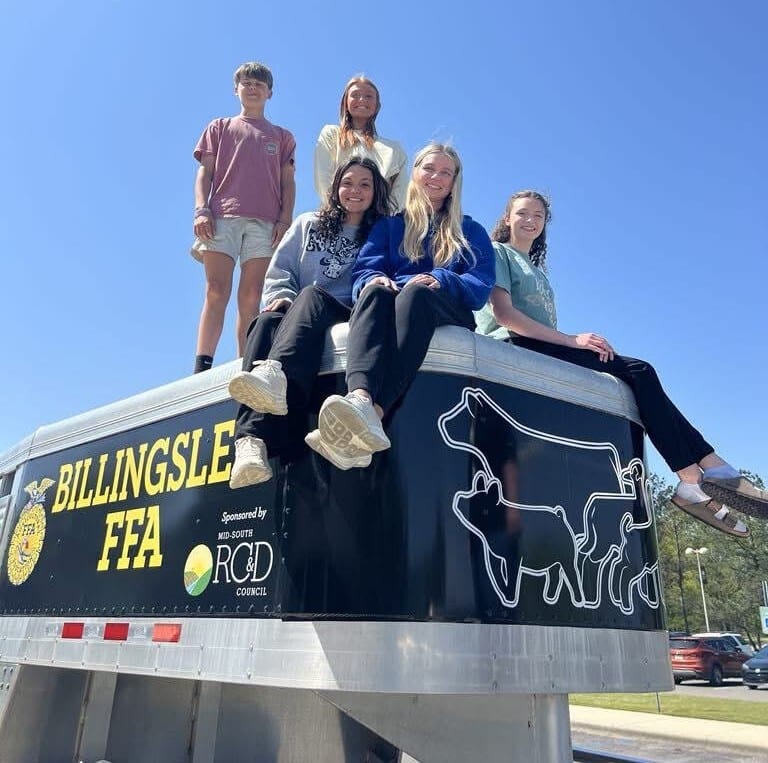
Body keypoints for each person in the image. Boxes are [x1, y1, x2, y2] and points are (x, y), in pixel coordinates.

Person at [475, 190, 768, 537]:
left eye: (538, 215)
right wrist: (572, 340)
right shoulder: (498, 253)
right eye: (522, 213)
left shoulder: (539, 273)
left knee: (639, 380)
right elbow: (505, 316)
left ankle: (707, 471)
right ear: (507, 218)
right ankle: (698, 475)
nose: (530, 220)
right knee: (641, 372)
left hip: (540, 349)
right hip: (512, 347)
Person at [305, 143, 496, 469]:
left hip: (444, 306)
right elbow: (364, 271)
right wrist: (374, 279)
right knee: (375, 293)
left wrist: (442, 279)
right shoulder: (390, 226)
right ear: (416, 174)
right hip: (398, 303)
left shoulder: (471, 231)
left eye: (445, 172)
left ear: (454, 182)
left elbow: (480, 287)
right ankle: (361, 400)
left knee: (415, 293)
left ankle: (376, 413)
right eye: (429, 169)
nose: (436, 177)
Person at [228, 158, 393, 488]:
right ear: (335, 188)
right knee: (265, 323)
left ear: (376, 192)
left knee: (313, 295)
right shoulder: (308, 223)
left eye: (365, 184)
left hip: (347, 312)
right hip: (301, 311)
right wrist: (282, 296)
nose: (355, 191)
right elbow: (281, 271)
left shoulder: (382, 231)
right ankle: (251, 443)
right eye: (348, 183)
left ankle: (275, 374)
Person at [190, 62, 296, 374]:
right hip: (222, 217)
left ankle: (244, 366)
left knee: (251, 296)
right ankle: (202, 366)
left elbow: (288, 182)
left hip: (265, 223)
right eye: (247, 83)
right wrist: (201, 209)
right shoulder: (219, 127)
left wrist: (285, 219)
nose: (253, 88)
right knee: (215, 290)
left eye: (259, 84)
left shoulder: (282, 136)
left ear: (270, 93)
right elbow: (204, 173)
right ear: (236, 89)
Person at [314, 76, 408, 210]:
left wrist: (381, 219)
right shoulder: (331, 134)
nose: (362, 100)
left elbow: (400, 192)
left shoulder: (394, 150)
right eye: (355, 95)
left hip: (377, 224)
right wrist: (337, 212)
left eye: (369, 96)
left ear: (377, 106)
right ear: (345, 102)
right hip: (335, 220)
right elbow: (323, 177)